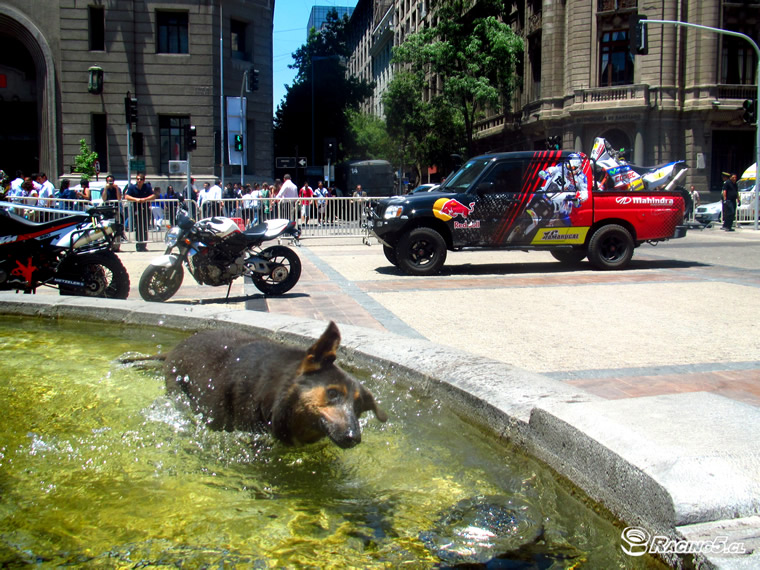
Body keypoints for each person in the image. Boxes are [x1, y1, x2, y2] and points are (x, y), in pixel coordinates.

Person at [125, 172, 154, 251]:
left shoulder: (147, 187)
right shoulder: (132, 187)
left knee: (145, 227)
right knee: (138, 228)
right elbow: (127, 196)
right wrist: (136, 199)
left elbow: (153, 195)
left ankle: (143, 245)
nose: (139, 181)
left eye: (141, 179)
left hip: (145, 209)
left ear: (143, 180)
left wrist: (145, 199)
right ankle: (138, 245)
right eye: (137, 179)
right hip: (136, 210)